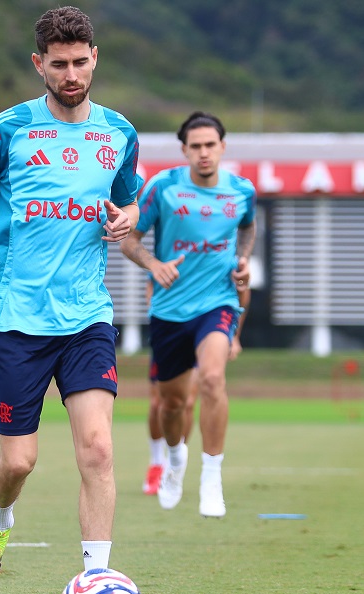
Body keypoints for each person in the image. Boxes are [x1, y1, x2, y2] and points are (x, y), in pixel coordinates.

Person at [0, 6, 143, 592]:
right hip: (16, 319)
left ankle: (96, 580)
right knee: (19, 462)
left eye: (81, 62)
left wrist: (128, 217)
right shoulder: (9, 129)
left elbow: (132, 199)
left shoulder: (119, 133)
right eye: (59, 64)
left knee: (97, 449)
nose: (71, 74)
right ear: (39, 64)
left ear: (96, 60)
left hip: (87, 316)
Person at [121, 111, 255, 518]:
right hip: (169, 311)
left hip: (217, 304)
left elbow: (248, 228)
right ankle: (175, 461)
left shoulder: (242, 191)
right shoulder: (162, 187)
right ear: (184, 150)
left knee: (214, 379)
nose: (203, 153)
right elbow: (129, 239)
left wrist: (244, 259)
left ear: (222, 147)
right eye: (195, 146)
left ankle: (211, 477)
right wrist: (153, 265)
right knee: (172, 405)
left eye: (210, 145)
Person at [142, 280, 249, 495]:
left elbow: (243, 290)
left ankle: (175, 463)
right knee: (159, 403)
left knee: (189, 402)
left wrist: (234, 335)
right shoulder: (173, 250)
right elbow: (151, 286)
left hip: (205, 329)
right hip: (172, 325)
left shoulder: (220, 252)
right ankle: (156, 461)